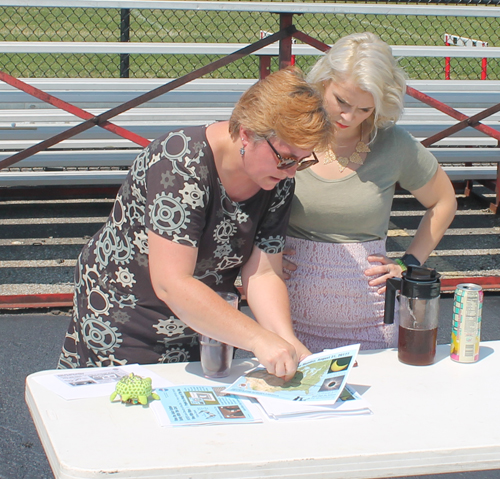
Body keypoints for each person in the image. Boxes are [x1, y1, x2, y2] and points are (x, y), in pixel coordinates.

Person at [57, 66, 333, 381]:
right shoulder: (179, 163)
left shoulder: (277, 179)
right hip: (125, 318)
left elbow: (264, 272)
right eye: (286, 157)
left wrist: (287, 341)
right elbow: (171, 282)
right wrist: (257, 338)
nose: (292, 171)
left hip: (203, 325)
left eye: (303, 160)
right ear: (246, 133)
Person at [283, 33, 457, 352]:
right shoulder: (287, 132)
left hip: (371, 319)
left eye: (364, 109)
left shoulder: (394, 143)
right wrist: (260, 252)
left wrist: (408, 263)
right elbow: (243, 197)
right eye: (342, 102)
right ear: (323, 82)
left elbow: (444, 202)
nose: (349, 117)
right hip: (284, 318)